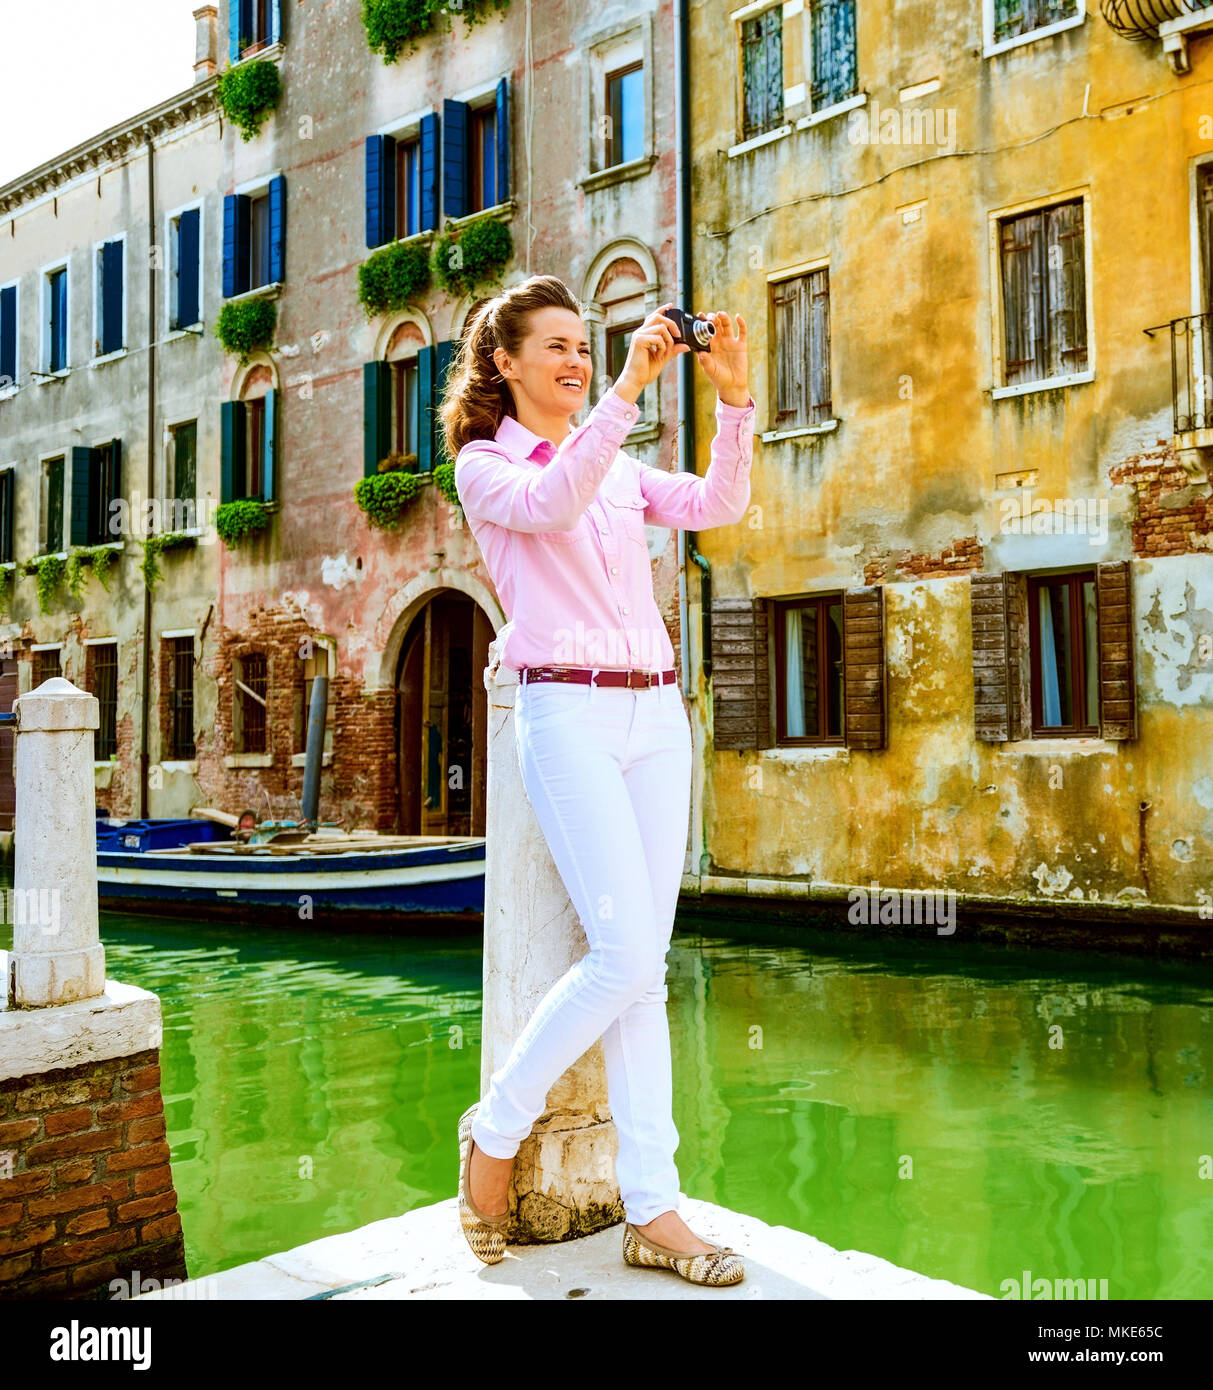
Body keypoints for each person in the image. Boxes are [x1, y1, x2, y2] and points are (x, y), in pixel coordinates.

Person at [443, 274, 755, 1286]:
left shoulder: (615, 463)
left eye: (587, 345)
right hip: (565, 711)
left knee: (641, 969)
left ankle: (653, 1210)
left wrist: (738, 399)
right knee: (623, 952)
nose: (577, 360)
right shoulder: (487, 467)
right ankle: (495, 1133)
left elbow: (717, 503)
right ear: (505, 362)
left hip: (654, 713)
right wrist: (626, 390)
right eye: (558, 346)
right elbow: (553, 499)